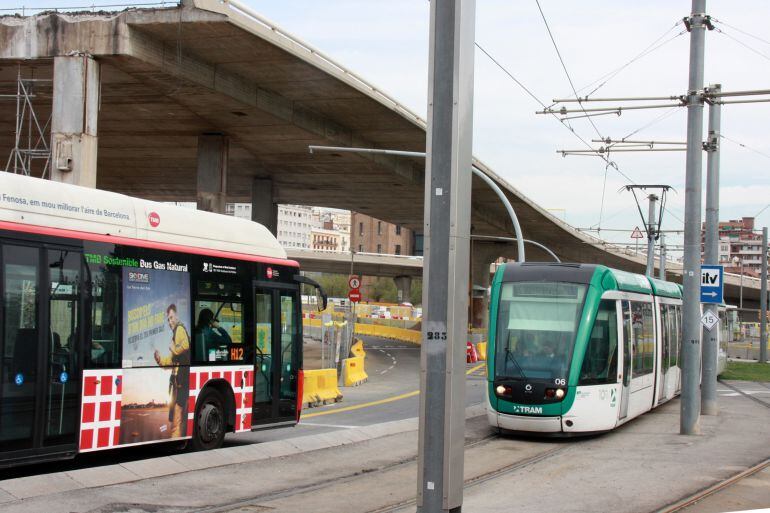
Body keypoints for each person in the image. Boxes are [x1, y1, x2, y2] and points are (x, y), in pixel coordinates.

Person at [154, 304, 190, 438]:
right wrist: (159, 360)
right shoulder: (176, 334)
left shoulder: (179, 329)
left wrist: (173, 348)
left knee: (176, 421)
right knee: (178, 421)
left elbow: (185, 345)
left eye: (171, 317)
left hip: (181, 383)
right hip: (178, 384)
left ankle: (176, 441)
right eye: (168, 319)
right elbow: (170, 361)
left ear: (177, 316)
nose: (170, 322)